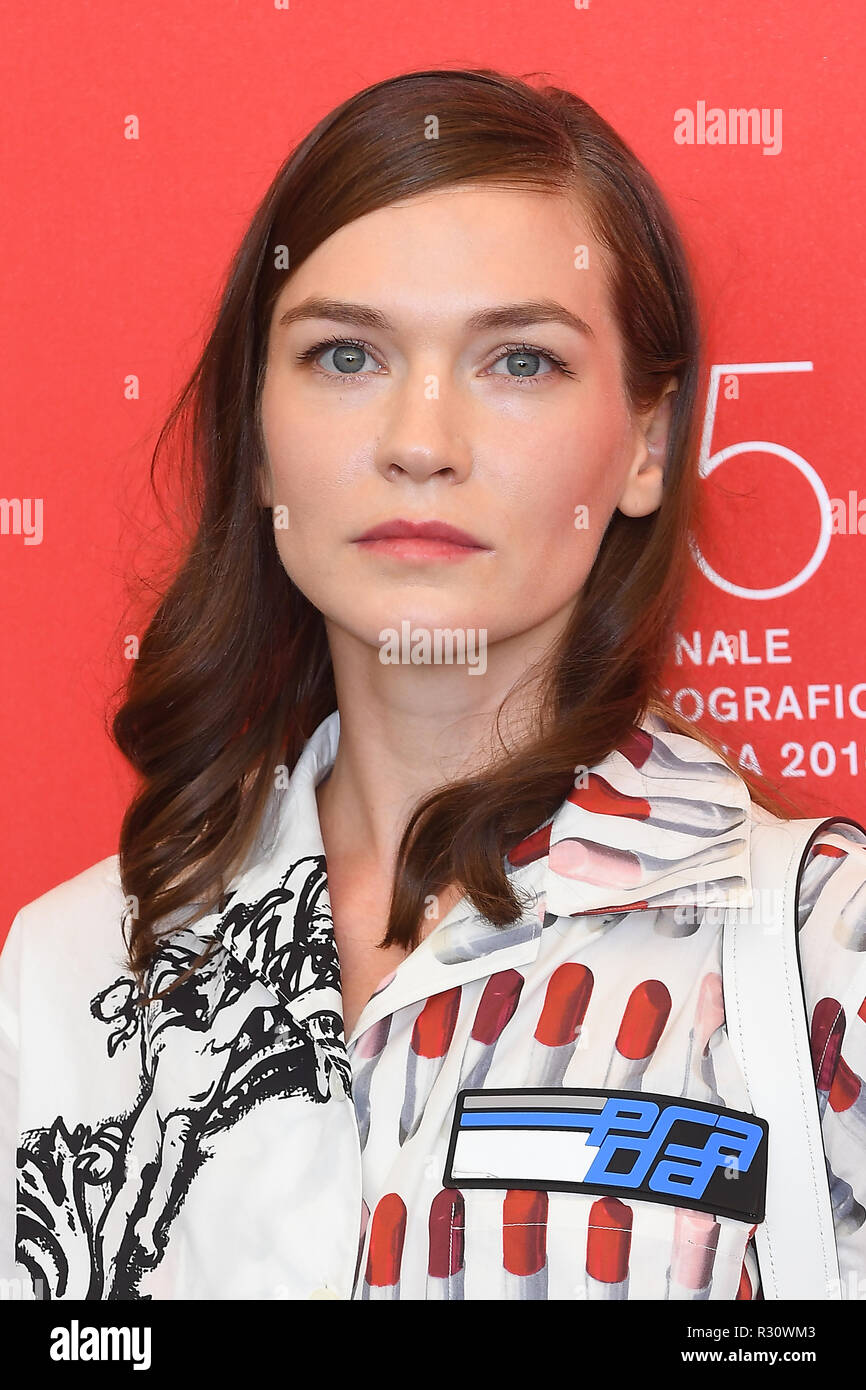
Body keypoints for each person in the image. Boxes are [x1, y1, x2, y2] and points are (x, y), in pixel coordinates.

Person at [2, 65, 865, 1302]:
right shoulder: (76, 965)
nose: (420, 439)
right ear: (254, 436)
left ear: (645, 443)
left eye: (517, 361)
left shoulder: (818, 953)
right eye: (345, 354)